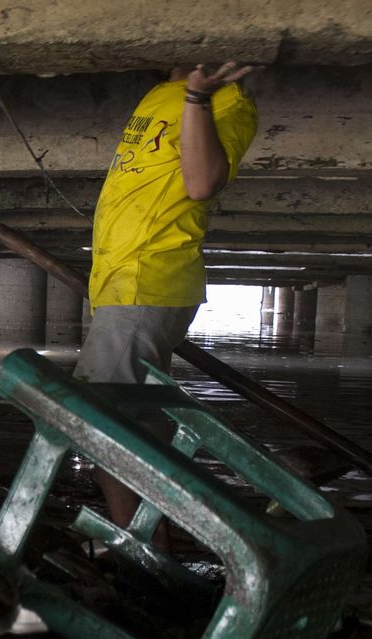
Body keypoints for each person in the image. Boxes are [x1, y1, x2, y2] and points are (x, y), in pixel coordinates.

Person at [74, 61, 260, 542]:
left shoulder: (227, 101)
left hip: (147, 278)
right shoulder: (159, 94)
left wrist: (198, 98)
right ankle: (153, 536)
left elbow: (201, 184)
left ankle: (134, 543)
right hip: (122, 282)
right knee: (135, 416)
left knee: (97, 416)